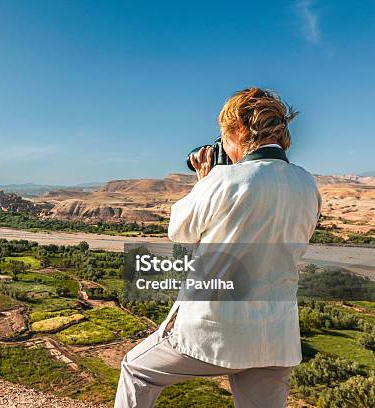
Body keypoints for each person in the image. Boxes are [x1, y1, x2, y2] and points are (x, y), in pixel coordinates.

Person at [114, 88, 321, 408]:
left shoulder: (223, 180)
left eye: (223, 136)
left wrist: (204, 180)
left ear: (238, 129)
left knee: (136, 370)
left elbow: (179, 231)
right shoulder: (307, 183)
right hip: (276, 337)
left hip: (213, 331)